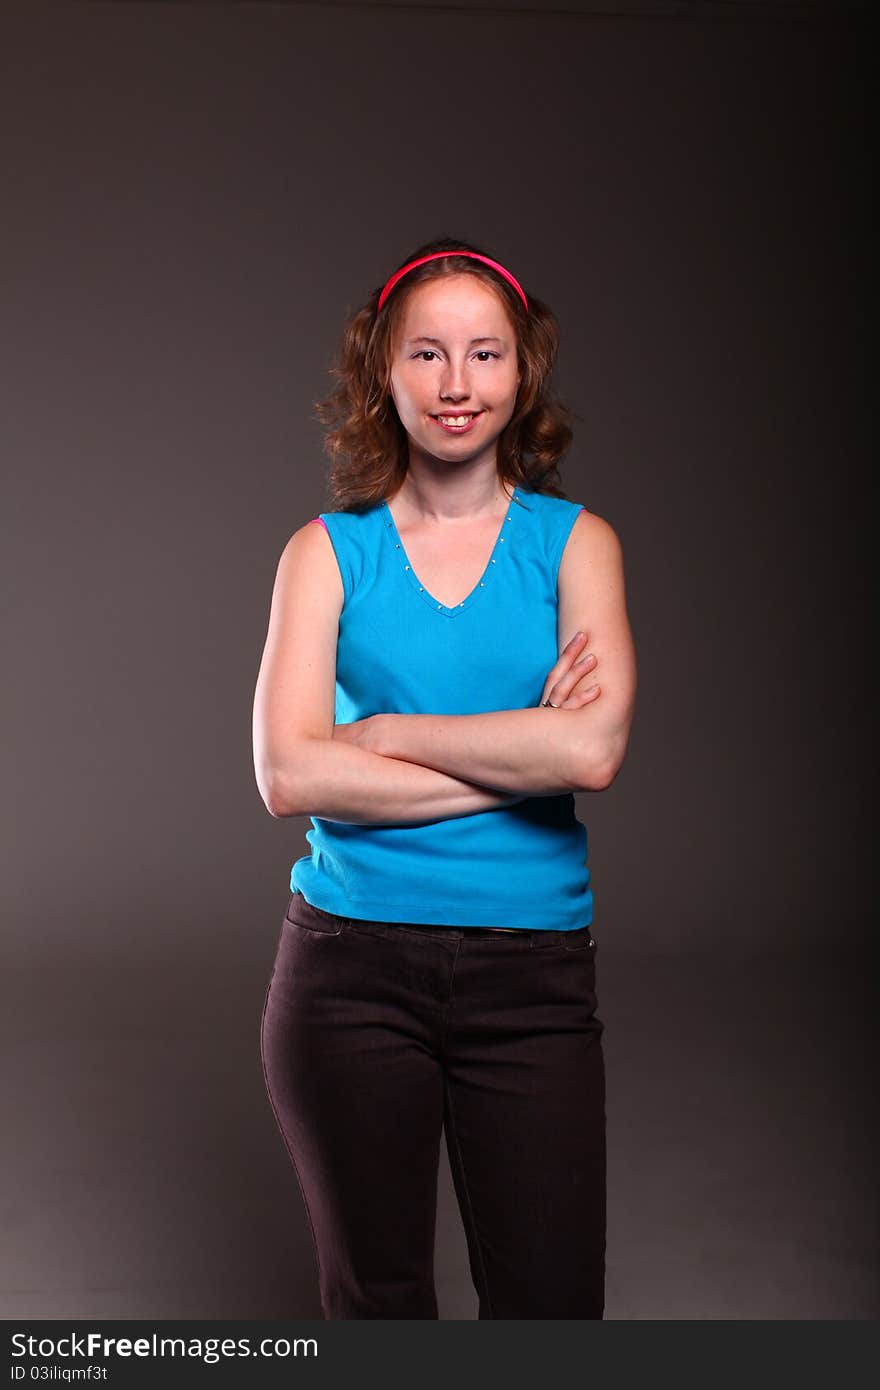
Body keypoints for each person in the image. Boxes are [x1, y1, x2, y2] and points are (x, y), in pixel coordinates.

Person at [252, 237, 637, 1320]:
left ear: (524, 373)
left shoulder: (577, 547)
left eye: (484, 354)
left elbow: (595, 751)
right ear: (384, 370)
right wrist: (523, 751)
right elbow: (287, 772)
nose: (456, 383)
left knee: (550, 1312)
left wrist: (378, 737)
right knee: (377, 1308)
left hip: (533, 983)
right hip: (346, 975)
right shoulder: (324, 554)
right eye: (427, 354)